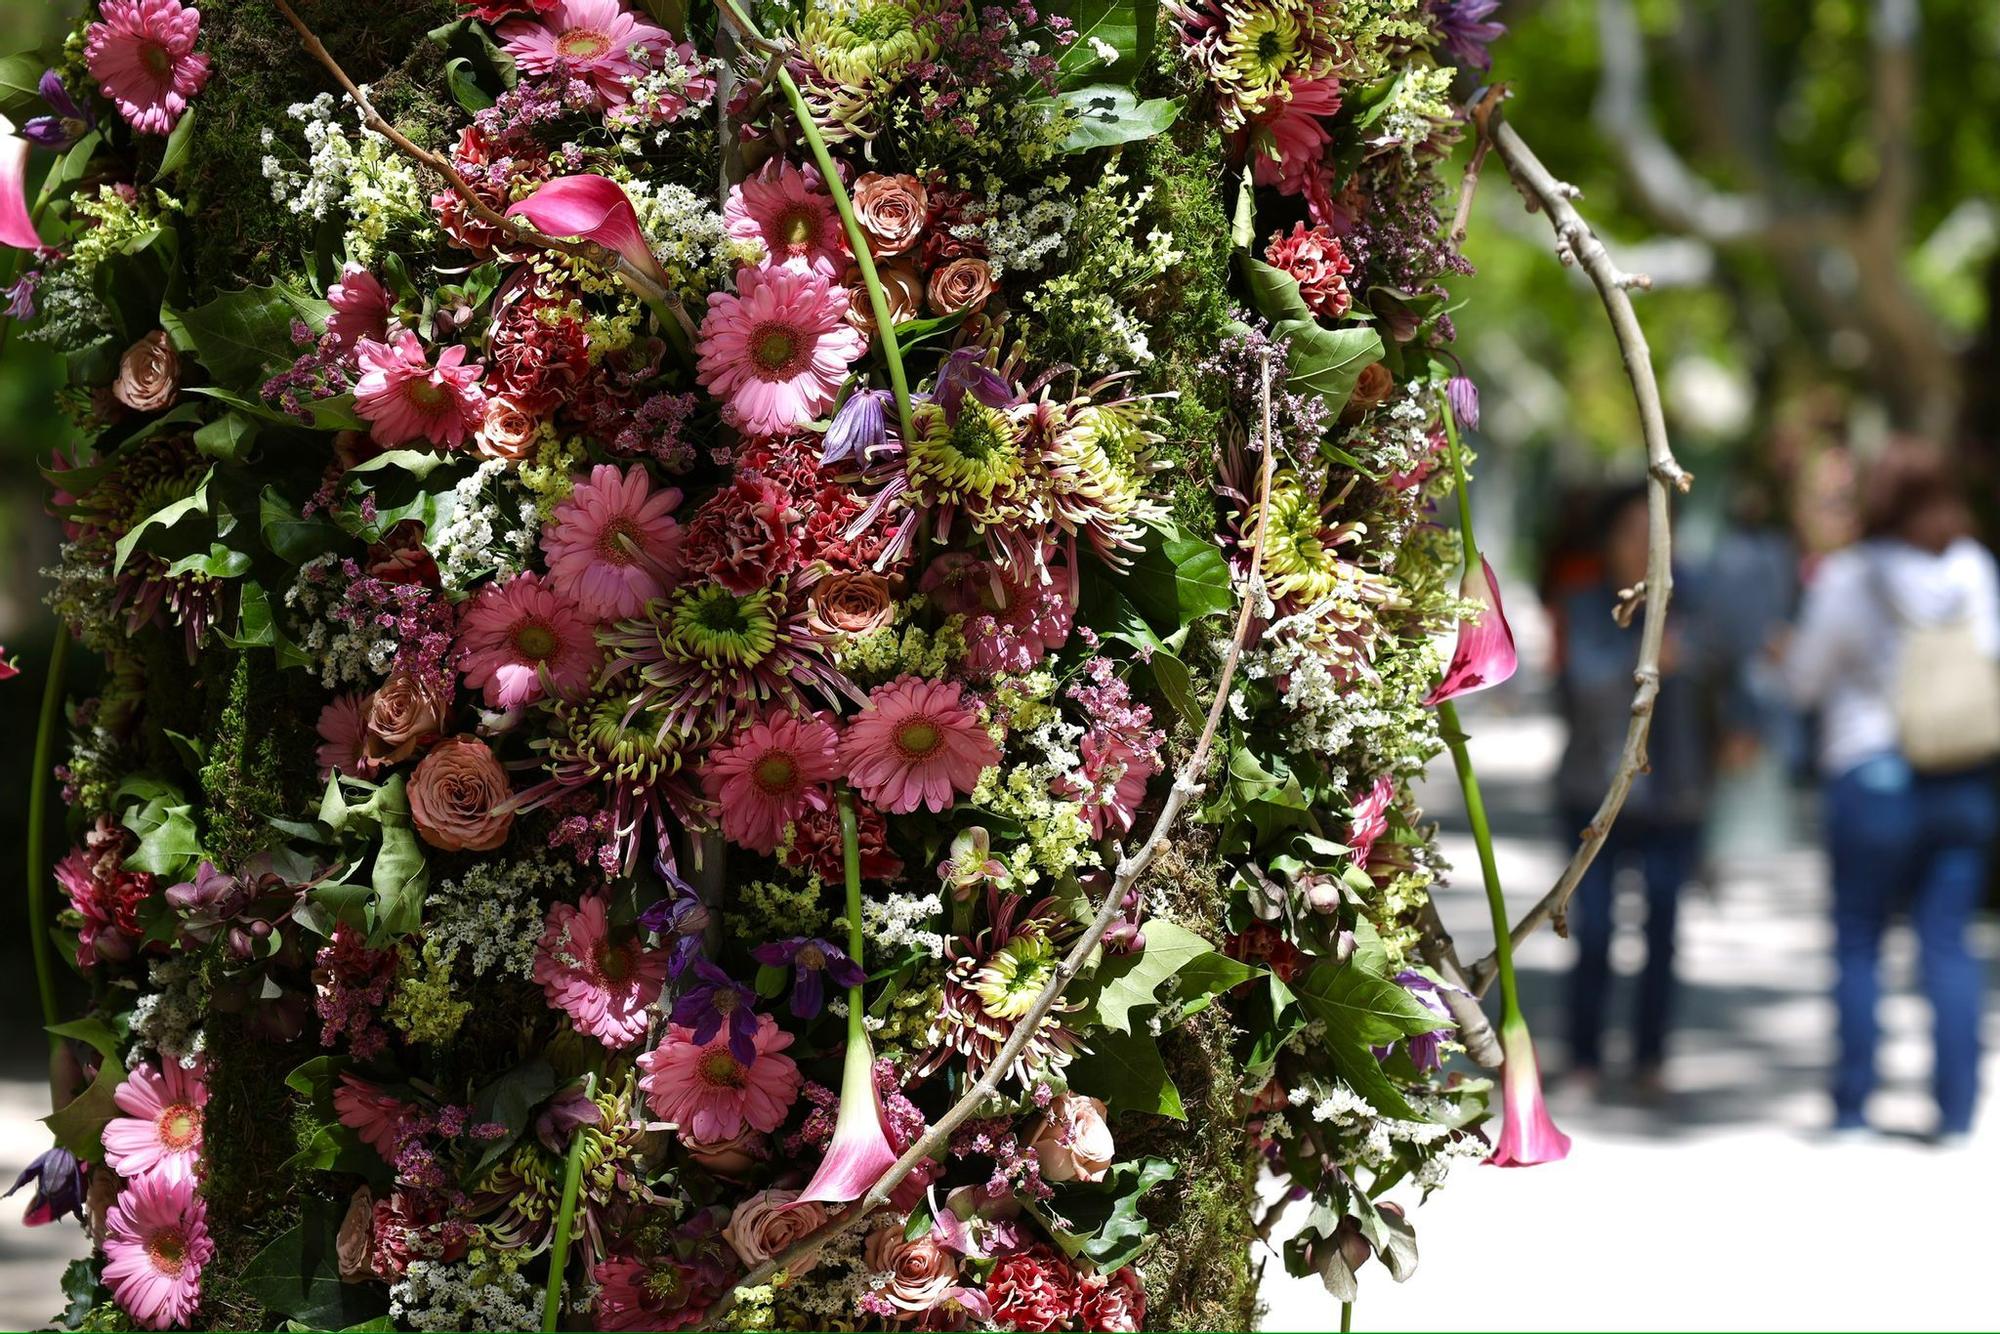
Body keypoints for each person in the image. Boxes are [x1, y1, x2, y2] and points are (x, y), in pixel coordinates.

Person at [1784, 440, 1999, 1142]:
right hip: (1963, 775)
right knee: (1948, 942)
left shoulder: (1851, 576)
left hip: (1871, 774)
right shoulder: (1973, 568)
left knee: (1859, 943)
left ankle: (1853, 1106)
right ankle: (1960, 1112)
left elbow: (1805, 680)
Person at [1551, 485, 1711, 1097]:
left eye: (1655, 536)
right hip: (1594, 793)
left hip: (1674, 794)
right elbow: (1580, 684)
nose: (1643, 548)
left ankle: (1651, 1056)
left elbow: (1725, 673)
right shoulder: (1586, 603)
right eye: (1630, 534)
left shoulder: (1693, 605)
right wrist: (1643, 665)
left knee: (1664, 929)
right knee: (1592, 929)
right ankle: (1585, 1053)